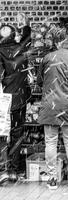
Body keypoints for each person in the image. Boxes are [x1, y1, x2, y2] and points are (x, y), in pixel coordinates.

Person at [36, 32, 68, 190]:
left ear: (61, 43)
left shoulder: (48, 58)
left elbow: (39, 81)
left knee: (50, 142)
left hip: (49, 105)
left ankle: (52, 179)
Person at [0, 24, 31, 184]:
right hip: (19, 99)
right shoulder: (21, 49)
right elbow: (27, 36)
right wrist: (26, 24)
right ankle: (13, 169)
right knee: (17, 134)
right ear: (13, 36)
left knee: (2, 135)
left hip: (3, 101)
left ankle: (3, 170)